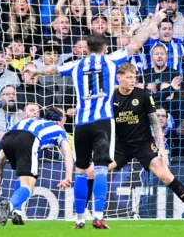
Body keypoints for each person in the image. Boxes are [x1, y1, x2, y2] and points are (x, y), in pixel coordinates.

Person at [27, 16, 157, 229]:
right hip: (103, 123)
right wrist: (152, 24)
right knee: (101, 170)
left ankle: (79, 219)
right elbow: (135, 44)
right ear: (105, 48)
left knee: (81, 171)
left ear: (86, 49)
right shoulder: (111, 60)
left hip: (82, 124)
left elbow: (52, 70)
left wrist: (35, 70)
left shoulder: (76, 64)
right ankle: (97, 215)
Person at [109, 63, 184, 221]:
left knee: (167, 176)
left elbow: (155, 123)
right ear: (119, 78)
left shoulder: (143, 95)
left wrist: (162, 150)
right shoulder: (111, 97)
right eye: (129, 77)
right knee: (98, 172)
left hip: (143, 144)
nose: (133, 81)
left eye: (134, 77)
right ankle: (81, 214)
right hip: (120, 145)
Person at [0, 107, 73, 226]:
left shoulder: (26, 121)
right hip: (29, 139)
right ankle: (10, 205)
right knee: (29, 186)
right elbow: (67, 152)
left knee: (23, 178)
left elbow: (0, 156)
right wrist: (68, 176)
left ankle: (16, 212)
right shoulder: (58, 129)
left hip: (9, 137)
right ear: (59, 121)